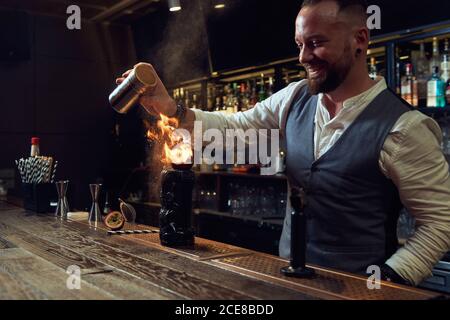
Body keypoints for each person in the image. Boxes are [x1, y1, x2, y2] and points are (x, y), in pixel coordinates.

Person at [116, 0, 450, 286]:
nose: (304, 56)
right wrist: (172, 110)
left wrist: (390, 281)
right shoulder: (294, 98)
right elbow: (234, 129)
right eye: (299, 44)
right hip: (288, 279)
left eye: (316, 42)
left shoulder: (404, 128)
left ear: (359, 40)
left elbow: (440, 222)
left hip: (358, 288)